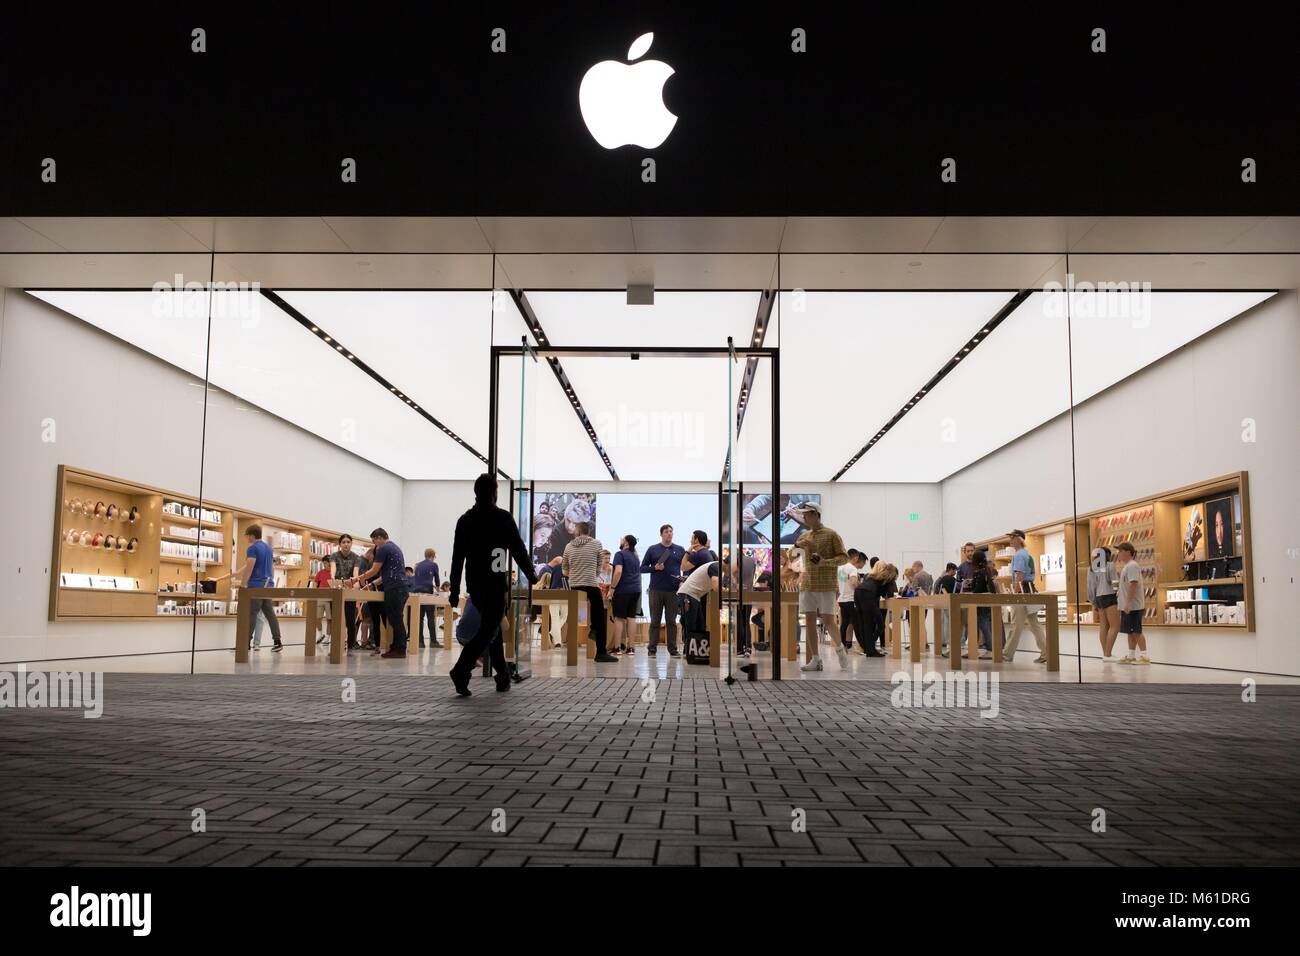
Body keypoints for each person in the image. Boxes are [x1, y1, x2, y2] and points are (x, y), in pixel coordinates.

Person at [449, 473, 539, 696]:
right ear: (495, 492)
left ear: (476, 492)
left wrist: (453, 589)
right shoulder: (503, 518)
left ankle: (502, 676)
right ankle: (461, 669)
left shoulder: (465, 520)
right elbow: (518, 549)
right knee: (489, 628)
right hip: (496, 584)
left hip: (476, 584)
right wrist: (531, 574)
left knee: (493, 628)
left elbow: (457, 558)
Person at [794, 502, 849, 672]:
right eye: (803, 515)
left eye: (806, 514)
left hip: (826, 584)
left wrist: (825, 562)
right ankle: (816, 659)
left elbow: (844, 557)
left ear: (816, 514)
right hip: (808, 583)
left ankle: (840, 649)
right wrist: (797, 548)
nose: (804, 517)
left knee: (828, 620)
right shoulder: (803, 536)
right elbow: (792, 555)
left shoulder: (831, 534)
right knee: (809, 620)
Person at [352, 528, 410, 659]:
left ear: (379, 538)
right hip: (400, 587)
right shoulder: (395, 548)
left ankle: (400, 650)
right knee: (396, 619)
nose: (375, 546)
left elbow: (374, 570)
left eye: (374, 542)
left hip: (394, 588)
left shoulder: (383, 548)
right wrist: (371, 584)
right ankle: (396, 648)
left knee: (396, 619)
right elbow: (385, 575)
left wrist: (357, 579)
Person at [564, 521, 616, 662]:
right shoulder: (596, 543)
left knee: (575, 615)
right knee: (600, 615)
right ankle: (601, 652)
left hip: (574, 586)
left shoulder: (569, 546)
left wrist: (574, 575)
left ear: (577, 531)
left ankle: (572, 648)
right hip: (591, 585)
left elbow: (564, 568)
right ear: (588, 531)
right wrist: (592, 574)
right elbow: (600, 565)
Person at [229, 523, 282, 653]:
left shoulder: (252, 548)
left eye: (247, 536)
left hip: (256, 586)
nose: (247, 539)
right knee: (270, 614)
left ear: (252, 536)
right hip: (267, 585)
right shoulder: (269, 549)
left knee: (251, 614)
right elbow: (271, 568)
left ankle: (244, 643)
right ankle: (278, 641)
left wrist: (243, 585)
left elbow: (249, 567)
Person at [1002, 530, 1047, 664]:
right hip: (1030, 590)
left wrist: (1015, 594)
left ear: (1019, 539)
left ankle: (1006, 654)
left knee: (1017, 624)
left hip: (1022, 591)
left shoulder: (1019, 555)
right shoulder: (1025, 554)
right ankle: (1046, 652)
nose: (1010, 539)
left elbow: (1019, 576)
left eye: (1012, 537)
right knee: (1034, 624)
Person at [641, 524, 686, 657]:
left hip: (673, 591)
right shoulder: (653, 549)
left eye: (671, 531)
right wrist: (654, 568)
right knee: (655, 621)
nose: (669, 534)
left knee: (671, 622)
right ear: (661, 534)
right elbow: (642, 568)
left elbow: (685, 567)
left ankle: (673, 650)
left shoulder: (679, 549)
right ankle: (652, 649)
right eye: (666, 532)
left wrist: (683, 581)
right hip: (656, 590)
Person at [328, 533, 370, 650]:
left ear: (351, 544)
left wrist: (354, 582)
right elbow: (333, 568)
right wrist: (333, 579)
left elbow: (356, 573)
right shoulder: (334, 556)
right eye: (343, 542)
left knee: (350, 620)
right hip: (336, 588)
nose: (346, 544)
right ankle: (335, 646)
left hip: (350, 588)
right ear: (340, 544)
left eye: (348, 542)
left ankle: (351, 645)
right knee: (336, 619)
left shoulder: (356, 557)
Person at [1114, 542, 1150, 665]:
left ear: (1128, 552)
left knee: (1136, 631)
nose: (1117, 553)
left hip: (1133, 606)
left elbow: (1133, 583)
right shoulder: (1127, 566)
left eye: (1120, 551)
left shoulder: (1132, 566)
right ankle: (1131, 655)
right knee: (1130, 631)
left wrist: (1128, 603)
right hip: (1127, 605)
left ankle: (1144, 657)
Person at [852, 561, 896, 658]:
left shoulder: (874, 575)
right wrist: (892, 582)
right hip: (867, 594)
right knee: (879, 624)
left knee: (865, 623)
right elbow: (890, 594)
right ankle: (870, 649)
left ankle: (869, 648)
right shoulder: (886, 578)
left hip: (858, 592)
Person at [610, 535, 642, 655]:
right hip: (635, 590)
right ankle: (631, 648)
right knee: (631, 618)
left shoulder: (620, 554)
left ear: (626, 543)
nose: (620, 540)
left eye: (622, 539)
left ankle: (617, 647)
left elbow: (618, 572)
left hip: (623, 590)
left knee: (619, 618)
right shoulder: (635, 556)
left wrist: (612, 588)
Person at [1088, 546, 1121, 662]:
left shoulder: (1092, 568)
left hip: (1098, 598)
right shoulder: (1110, 565)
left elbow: (1090, 586)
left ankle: (1106, 654)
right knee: (1115, 626)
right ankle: (1107, 655)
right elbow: (1114, 581)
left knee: (1103, 626)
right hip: (1109, 596)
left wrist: (1093, 601)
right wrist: (1118, 593)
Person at [412, 548, 442, 649]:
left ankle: (420, 642)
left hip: (416, 593)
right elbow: (437, 579)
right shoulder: (434, 565)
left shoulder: (417, 565)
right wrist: (438, 590)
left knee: (420, 618)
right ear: (433, 556)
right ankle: (433, 642)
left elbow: (417, 579)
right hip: (428, 592)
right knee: (430, 617)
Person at [836, 549, 865, 652]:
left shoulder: (840, 568)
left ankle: (843, 645)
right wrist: (859, 590)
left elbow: (837, 584)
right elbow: (853, 583)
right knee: (857, 624)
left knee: (844, 624)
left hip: (842, 599)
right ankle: (863, 647)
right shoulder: (852, 568)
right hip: (851, 600)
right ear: (856, 557)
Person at [537, 555, 567, 649]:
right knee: (560, 617)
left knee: (559, 617)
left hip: (555, 593)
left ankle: (553, 632)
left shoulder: (556, 567)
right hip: (562, 593)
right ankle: (558, 642)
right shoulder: (563, 567)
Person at [733, 547, 758, 657]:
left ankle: (740, 649)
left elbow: (732, 577)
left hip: (738, 595)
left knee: (739, 622)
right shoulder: (751, 561)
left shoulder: (735, 561)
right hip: (749, 593)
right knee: (746, 622)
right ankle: (748, 647)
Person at [935, 561, 958, 652]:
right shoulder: (952, 580)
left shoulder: (942, 579)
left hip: (942, 602)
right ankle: (950, 641)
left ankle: (944, 641)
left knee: (944, 622)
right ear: (951, 570)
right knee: (949, 623)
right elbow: (955, 591)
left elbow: (940, 588)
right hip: (950, 602)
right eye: (955, 570)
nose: (955, 573)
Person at [312, 555, 333, 644]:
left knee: (329, 619)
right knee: (317, 618)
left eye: (326, 563)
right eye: (323, 563)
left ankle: (328, 637)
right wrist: (315, 590)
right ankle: (320, 634)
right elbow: (315, 582)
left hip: (330, 599)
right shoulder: (320, 572)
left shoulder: (334, 573)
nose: (325, 565)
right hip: (320, 597)